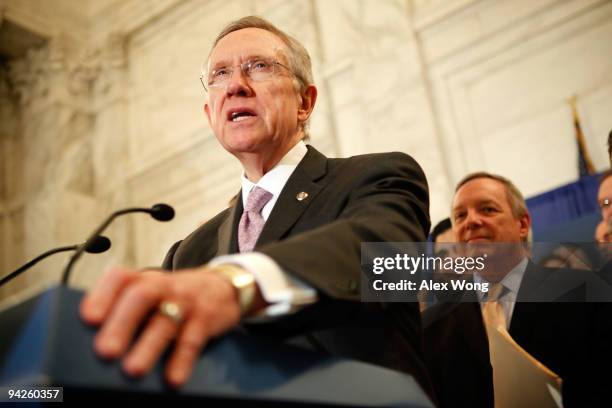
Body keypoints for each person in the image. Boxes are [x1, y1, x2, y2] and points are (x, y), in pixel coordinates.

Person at [79, 16, 433, 397]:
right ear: (210, 113)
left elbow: (386, 257)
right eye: (220, 74)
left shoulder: (375, 176)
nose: (235, 86)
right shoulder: (187, 254)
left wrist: (238, 286)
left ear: (304, 101)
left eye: (259, 67)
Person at [423, 172, 610, 408]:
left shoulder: (586, 294)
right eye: (460, 216)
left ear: (522, 224)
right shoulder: (432, 327)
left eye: (487, 209)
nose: (471, 221)